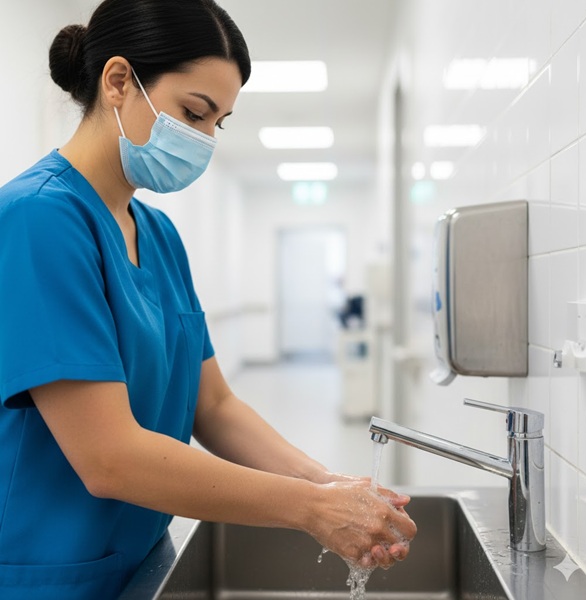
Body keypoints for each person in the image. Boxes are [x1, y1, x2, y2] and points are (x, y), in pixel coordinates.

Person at [0, 1, 417, 598]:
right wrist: (308, 508)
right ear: (118, 82)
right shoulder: (37, 220)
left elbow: (213, 405)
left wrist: (326, 484)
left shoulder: (159, 235)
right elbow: (109, 456)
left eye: (217, 123)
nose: (202, 140)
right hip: (50, 574)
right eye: (193, 113)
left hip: (142, 558)